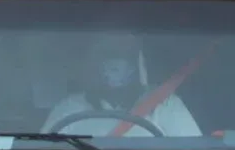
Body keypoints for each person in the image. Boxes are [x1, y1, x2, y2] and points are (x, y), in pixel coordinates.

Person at [42, 31, 201, 139]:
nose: (114, 63)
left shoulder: (165, 104)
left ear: (136, 63)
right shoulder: (69, 108)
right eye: (108, 54)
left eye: (123, 55)